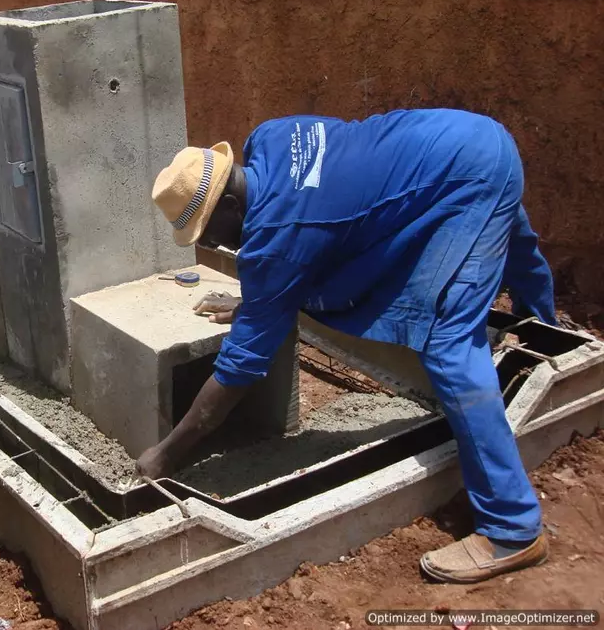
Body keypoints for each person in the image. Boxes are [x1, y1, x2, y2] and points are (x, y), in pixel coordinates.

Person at [143, 109, 557, 584]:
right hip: (468, 137)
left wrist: (168, 454)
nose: (216, 246)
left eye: (210, 233)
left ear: (233, 206)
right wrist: (256, 303)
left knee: (447, 342)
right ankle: (545, 326)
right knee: (508, 225)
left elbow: (240, 366)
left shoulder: (279, 242)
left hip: (461, 181)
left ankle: (513, 529)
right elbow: (319, 216)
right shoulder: (271, 138)